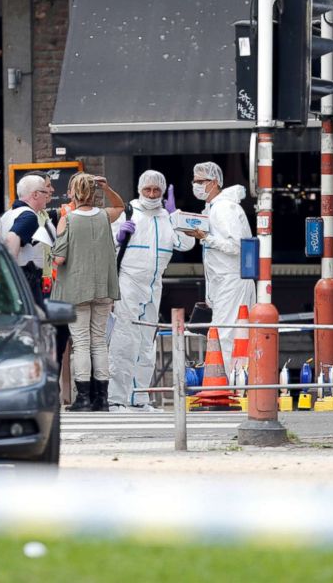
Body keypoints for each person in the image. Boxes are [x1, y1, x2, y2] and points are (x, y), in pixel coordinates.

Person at [109, 171, 193, 412]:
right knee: (124, 340)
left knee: (147, 343)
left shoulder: (167, 217)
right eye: (148, 190)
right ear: (139, 190)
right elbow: (108, 243)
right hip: (128, 281)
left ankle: (139, 398)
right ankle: (116, 398)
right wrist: (119, 235)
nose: (152, 194)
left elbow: (185, 244)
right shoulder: (128, 212)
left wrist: (177, 217)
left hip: (154, 284)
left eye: (157, 190)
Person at [52, 173, 125, 411]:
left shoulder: (68, 219)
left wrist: (51, 252)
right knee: (99, 343)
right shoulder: (105, 216)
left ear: (73, 193)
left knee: (81, 343)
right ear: (94, 192)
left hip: (76, 289)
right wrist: (108, 187)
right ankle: (101, 399)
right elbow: (120, 206)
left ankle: (82, 397)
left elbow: (60, 259)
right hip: (103, 288)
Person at [183, 161, 256, 372]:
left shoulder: (225, 208)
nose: (195, 185)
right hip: (222, 282)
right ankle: (231, 384)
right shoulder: (213, 208)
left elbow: (236, 245)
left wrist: (205, 238)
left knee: (226, 336)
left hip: (231, 281)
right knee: (225, 334)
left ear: (214, 182)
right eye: (194, 181)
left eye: (200, 181)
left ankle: (228, 387)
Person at [0, 172, 56, 305]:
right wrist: (11, 274)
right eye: (44, 191)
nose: (48, 194)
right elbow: (11, 239)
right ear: (35, 194)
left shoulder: (8, 215)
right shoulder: (29, 216)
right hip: (25, 279)